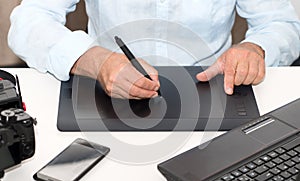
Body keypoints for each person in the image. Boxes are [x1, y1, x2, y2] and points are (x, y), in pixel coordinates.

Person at [8, 0, 300, 99]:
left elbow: (282, 22)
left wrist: (254, 48)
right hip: (102, 84)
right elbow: (29, 20)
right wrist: (94, 59)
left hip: (213, 87)